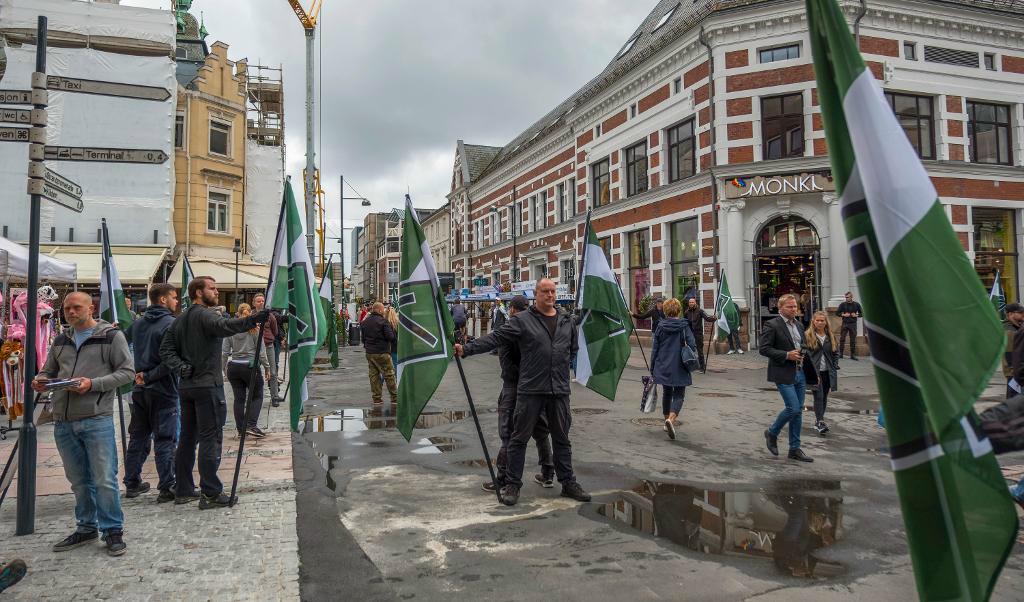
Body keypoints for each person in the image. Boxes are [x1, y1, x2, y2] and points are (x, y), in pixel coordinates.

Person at [456, 278, 591, 506]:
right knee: (518, 439)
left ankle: (568, 482)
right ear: (535, 295)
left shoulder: (566, 321)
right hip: (530, 390)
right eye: (544, 291)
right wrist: (467, 348)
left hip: (558, 391)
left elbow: (572, 350)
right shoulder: (522, 321)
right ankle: (512, 485)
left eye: (552, 291)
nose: (549, 295)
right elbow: (495, 338)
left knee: (561, 440)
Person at [32, 291, 135, 556]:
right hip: (63, 420)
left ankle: (112, 530)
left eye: (77, 307)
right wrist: (41, 379)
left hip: (96, 417)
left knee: (104, 479)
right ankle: (86, 526)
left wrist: (93, 384)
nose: (71, 312)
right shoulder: (61, 339)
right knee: (78, 480)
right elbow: (49, 370)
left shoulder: (111, 336)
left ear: (91, 308)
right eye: (67, 309)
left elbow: (127, 373)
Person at [159, 277, 266, 510]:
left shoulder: (179, 319)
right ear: (198, 292)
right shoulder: (206, 315)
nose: (217, 292)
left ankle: (184, 488)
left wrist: (181, 367)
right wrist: (254, 318)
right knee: (210, 438)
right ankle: (210, 492)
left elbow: (166, 350)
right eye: (212, 288)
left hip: (188, 387)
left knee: (188, 438)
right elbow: (225, 327)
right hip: (207, 386)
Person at [481, 295, 555, 493]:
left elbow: (506, 361)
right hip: (537, 386)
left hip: (514, 387)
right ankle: (548, 473)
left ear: (512, 309)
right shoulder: (537, 326)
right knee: (541, 431)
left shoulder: (511, 328)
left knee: (509, 434)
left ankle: (503, 478)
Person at [122, 283, 180, 503]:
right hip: (163, 388)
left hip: (140, 389)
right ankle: (167, 485)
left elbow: (120, 343)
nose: (176, 302)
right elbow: (170, 361)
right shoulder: (170, 325)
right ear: (163, 300)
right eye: (174, 298)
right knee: (165, 438)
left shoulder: (137, 324)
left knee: (138, 436)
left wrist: (137, 373)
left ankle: (132, 482)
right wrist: (149, 375)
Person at [760, 293, 813, 463]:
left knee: (798, 413)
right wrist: (786, 355)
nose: (794, 309)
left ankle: (794, 448)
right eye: (790, 306)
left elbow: (803, 347)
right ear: (781, 308)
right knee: (793, 408)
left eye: (795, 306)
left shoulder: (798, 325)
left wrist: (813, 373)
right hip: (782, 371)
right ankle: (772, 432)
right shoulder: (772, 324)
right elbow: (764, 349)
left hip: (800, 372)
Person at [649, 298, 697, 440]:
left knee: (667, 393)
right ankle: (671, 418)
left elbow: (655, 349)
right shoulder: (684, 326)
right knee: (679, 394)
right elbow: (693, 345)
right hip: (680, 365)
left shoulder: (660, 326)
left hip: (663, 364)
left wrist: (652, 368)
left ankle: (666, 422)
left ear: (665, 310)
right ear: (678, 310)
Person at [223, 303, 271, 439]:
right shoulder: (255, 330)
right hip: (249, 366)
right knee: (257, 395)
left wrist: (224, 368)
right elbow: (261, 352)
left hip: (234, 366)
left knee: (239, 399)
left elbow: (224, 352)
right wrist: (267, 368)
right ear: (251, 313)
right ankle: (251, 425)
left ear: (237, 314)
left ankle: (240, 429)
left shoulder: (230, 330)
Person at [805, 311, 839, 436]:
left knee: (824, 397)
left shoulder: (830, 336)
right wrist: (810, 372)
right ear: (813, 321)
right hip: (815, 372)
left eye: (822, 320)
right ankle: (820, 421)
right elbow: (805, 355)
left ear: (826, 322)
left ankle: (819, 420)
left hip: (828, 372)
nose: (820, 322)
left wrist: (834, 365)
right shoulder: (808, 336)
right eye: (817, 320)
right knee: (818, 396)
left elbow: (836, 352)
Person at [361, 302, 397, 404]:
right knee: (389, 374)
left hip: (370, 352)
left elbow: (363, 339)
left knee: (374, 376)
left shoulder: (365, 322)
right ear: (380, 310)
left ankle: (376, 398)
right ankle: (394, 397)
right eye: (383, 310)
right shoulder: (383, 322)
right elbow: (391, 337)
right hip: (382, 352)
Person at [252, 294, 284, 407]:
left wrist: (269, 338)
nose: (261, 303)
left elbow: (275, 330)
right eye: (258, 301)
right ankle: (252, 396)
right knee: (253, 371)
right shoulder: (251, 315)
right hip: (254, 348)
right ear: (254, 303)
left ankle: (274, 396)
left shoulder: (270, 316)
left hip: (268, 345)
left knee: (273, 371)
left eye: (262, 301)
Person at [684, 297, 716, 370]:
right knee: (690, 350)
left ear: (695, 303)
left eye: (692, 302)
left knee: (700, 350)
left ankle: (702, 366)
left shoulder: (700, 311)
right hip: (690, 334)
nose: (691, 303)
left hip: (698, 333)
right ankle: (692, 365)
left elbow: (707, 318)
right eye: (690, 302)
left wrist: (713, 318)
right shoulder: (686, 312)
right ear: (688, 304)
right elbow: (685, 322)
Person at [1002, 303, 1024, 398]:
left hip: (1017, 372)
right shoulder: (1009, 331)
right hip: (1014, 374)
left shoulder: (1017, 328)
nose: (1023, 314)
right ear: (1010, 314)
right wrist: (1015, 373)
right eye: (1020, 312)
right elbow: (1010, 354)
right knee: (1014, 405)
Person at [836, 292, 863, 360]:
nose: (846, 298)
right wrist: (843, 315)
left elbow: (862, 313)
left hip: (853, 324)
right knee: (842, 339)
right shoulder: (843, 304)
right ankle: (841, 354)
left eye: (847, 297)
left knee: (853, 339)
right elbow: (837, 313)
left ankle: (852, 355)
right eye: (846, 297)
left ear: (851, 297)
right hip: (845, 323)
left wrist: (856, 315)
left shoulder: (856, 304)